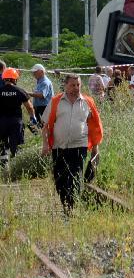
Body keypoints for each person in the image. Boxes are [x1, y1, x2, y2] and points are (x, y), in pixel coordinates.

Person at [42, 74, 103, 212]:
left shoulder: (88, 102)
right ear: (65, 86)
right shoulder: (56, 101)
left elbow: (95, 127)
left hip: (79, 146)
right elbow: (45, 126)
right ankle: (65, 203)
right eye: (72, 85)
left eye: (78, 85)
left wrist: (95, 148)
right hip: (59, 147)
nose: (76, 88)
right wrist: (45, 144)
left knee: (75, 176)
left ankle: (71, 207)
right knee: (60, 179)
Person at [0, 68, 38, 165]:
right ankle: (16, 165)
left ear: (4, 79)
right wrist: (33, 117)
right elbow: (29, 107)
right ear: (14, 79)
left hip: (2, 122)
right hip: (16, 122)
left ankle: (4, 166)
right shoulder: (19, 91)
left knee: (3, 145)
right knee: (16, 145)